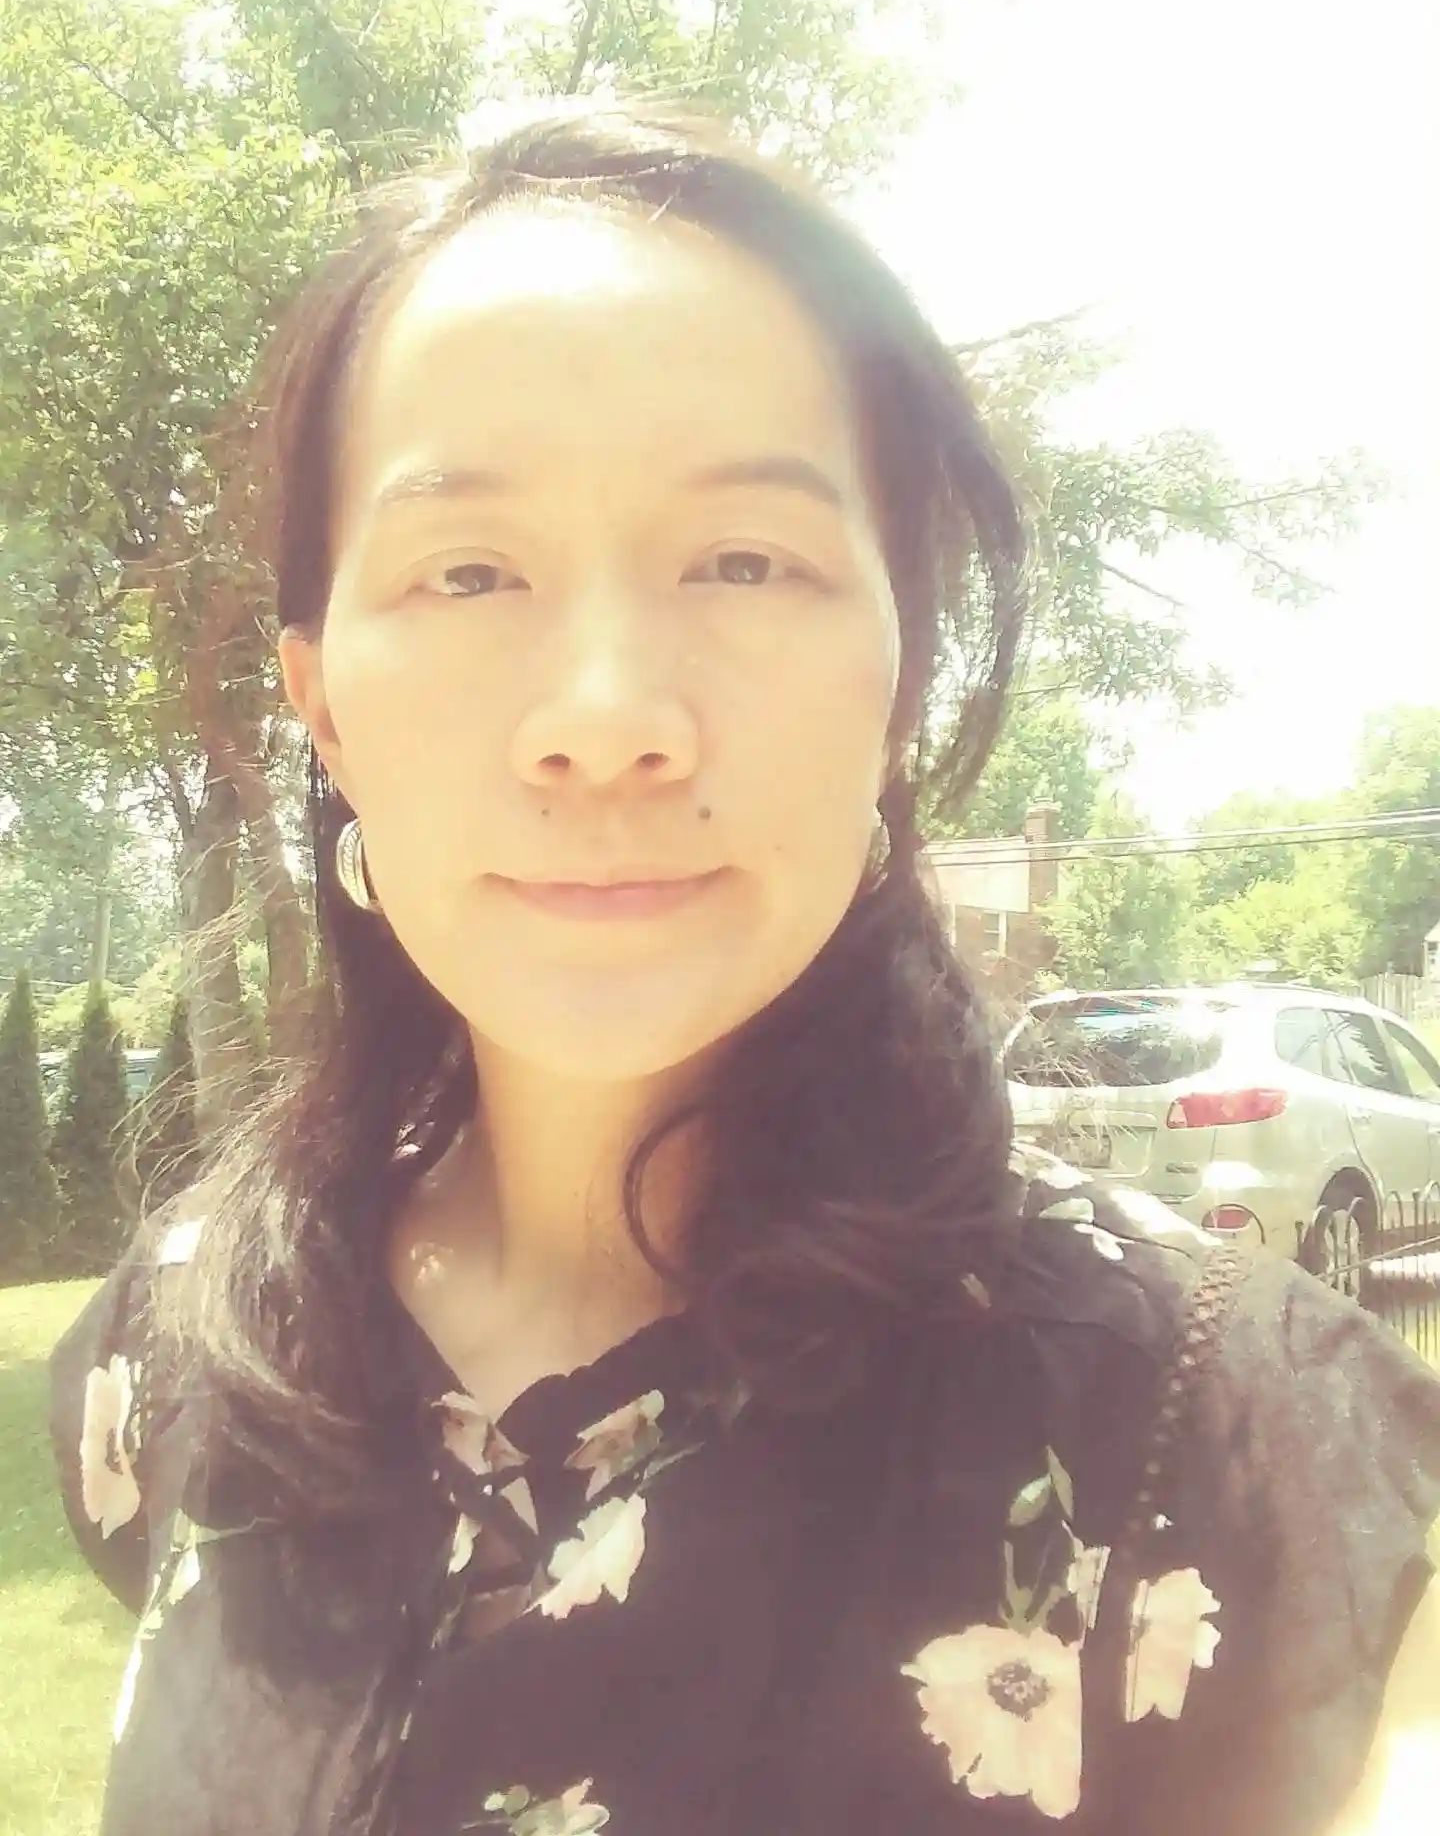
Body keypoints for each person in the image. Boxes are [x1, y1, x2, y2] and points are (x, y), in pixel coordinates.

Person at [51, 107, 1440, 1836]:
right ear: (324, 704)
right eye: (468, 570)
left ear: (897, 677)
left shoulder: (1220, 1449)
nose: (608, 719)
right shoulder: (182, 1349)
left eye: (744, 561)